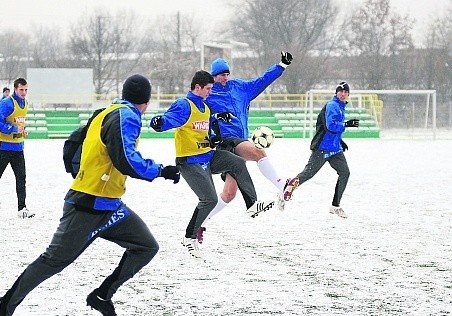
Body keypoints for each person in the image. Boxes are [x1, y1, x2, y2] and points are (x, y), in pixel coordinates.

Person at [0, 74, 181, 316]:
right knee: (52, 261)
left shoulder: (105, 112)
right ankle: (4, 305)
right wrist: (160, 170)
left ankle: (102, 296)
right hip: (87, 206)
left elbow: (73, 144)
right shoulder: (127, 116)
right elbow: (126, 159)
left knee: (146, 246)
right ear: (145, 101)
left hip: (110, 206)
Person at [149, 70, 273, 260]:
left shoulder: (206, 109)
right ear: (197, 87)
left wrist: (216, 121)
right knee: (210, 200)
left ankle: (252, 204)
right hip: (190, 161)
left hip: (207, 156)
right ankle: (188, 237)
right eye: (208, 89)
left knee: (237, 163)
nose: (210, 92)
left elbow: (205, 132)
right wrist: (159, 123)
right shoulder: (185, 105)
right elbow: (168, 120)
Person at [197, 52, 293, 241]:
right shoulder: (209, 94)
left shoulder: (240, 87)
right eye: (221, 75)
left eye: (227, 74)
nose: (225, 77)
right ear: (214, 76)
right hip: (226, 143)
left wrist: (281, 65)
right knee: (258, 151)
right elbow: (196, 109)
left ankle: (200, 223)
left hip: (241, 140)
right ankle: (282, 185)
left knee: (229, 194)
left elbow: (262, 81)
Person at [282, 81, 359, 218]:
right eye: (341, 91)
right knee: (308, 174)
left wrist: (340, 141)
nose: (343, 94)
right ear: (336, 93)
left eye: (346, 92)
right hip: (323, 149)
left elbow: (331, 129)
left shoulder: (340, 106)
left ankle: (335, 206)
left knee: (345, 173)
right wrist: (346, 124)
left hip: (335, 150)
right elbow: (330, 126)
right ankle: (289, 185)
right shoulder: (333, 105)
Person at [0, 78, 34, 219]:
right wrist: (14, 129)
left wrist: (23, 131)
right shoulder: (7, 103)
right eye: (21, 90)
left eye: (26, 90)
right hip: (3, 147)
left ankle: (22, 208)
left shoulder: (25, 103)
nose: (24, 92)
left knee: (21, 177)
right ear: (15, 89)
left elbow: (19, 121)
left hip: (18, 147)